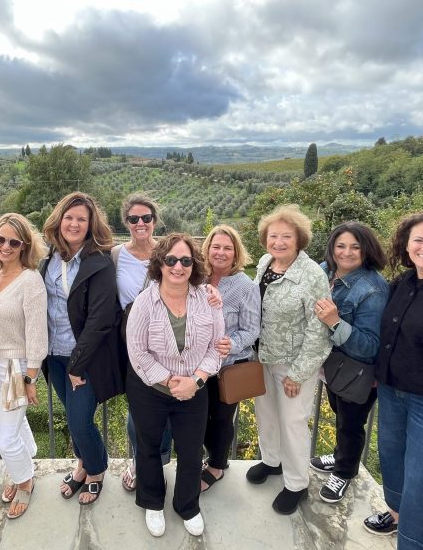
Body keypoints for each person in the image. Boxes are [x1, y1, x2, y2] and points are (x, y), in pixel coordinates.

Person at [126, 233, 226, 537]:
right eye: (171, 260)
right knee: (148, 447)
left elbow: (217, 347)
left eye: (185, 260)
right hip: (150, 390)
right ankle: (153, 502)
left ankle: (187, 505)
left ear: (193, 264)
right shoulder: (145, 302)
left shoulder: (207, 299)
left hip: (194, 390)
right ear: (160, 263)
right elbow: (137, 352)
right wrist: (170, 381)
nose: (178, 267)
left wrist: (195, 381)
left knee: (191, 450)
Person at [247, 204, 332, 515]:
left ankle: (296, 483)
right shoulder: (265, 263)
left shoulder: (312, 275)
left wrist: (298, 373)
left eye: (286, 236)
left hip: (293, 364)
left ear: (299, 240)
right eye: (273, 236)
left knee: (292, 422)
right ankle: (272, 460)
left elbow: (319, 329)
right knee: (266, 413)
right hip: (263, 357)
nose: (279, 242)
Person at [40, 192, 123, 506]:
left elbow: (101, 319)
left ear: (90, 226)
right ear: (59, 220)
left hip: (83, 360)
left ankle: (97, 471)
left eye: (81, 219)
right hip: (54, 355)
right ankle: (83, 464)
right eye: (69, 217)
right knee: (73, 416)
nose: (73, 224)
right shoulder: (49, 257)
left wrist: (77, 365)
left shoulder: (98, 263)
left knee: (79, 421)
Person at [310, 222, 388, 503]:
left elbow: (370, 346)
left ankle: (344, 472)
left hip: (358, 370)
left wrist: (335, 322)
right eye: (341, 245)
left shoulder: (372, 289)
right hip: (334, 367)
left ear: (366, 250)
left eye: (355, 246)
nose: (347, 252)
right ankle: (340, 455)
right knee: (339, 414)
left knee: (351, 424)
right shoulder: (324, 271)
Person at [0, 213, 48, 519]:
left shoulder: (30, 281)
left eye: (13, 241)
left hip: (14, 367)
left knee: (6, 437)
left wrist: (30, 377)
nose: (5, 246)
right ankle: (28, 457)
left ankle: (24, 480)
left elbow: (37, 333)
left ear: (24, 246)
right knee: (14, 421)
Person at [363, 213, 423, 548]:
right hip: (389, 389)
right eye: (419, 240)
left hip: (421, 400)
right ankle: (397, 515)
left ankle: (411, 541)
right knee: (390, 455)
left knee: (419, 477)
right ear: (406, 245)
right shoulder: (401, 283)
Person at [112, 193, 172, 493]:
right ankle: (139, 461)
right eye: (133, 218)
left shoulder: (167, 253)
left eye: (146, 218)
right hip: (130, 339)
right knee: (138, 404)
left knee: (166, 400)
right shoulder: (115, 255)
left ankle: (158, 463)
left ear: (154, 221)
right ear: (126, 221)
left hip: (166, 338)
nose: (140, 223)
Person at [201, 225, 261, 491]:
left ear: (236, 252)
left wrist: (232, 343)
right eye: (216, 246)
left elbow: (252, 329)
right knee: (198, 418)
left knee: (222, 420)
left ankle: (216, 466)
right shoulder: (197, 277)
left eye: (227, 248)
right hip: (198, 367)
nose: (221, 252)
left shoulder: (245, 286)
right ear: (207, 249)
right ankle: (206, 458)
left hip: (227, 367)